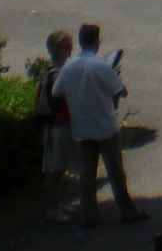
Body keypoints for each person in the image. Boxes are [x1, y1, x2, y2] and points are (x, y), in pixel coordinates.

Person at [51, 22, 148, 226]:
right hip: (104, 125)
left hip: (82, 126)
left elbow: (57, 92)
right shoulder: (102, 65)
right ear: (96, 41)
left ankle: (89, 214)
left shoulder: (69, 67)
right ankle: (126, 210)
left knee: (87, 173)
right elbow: (120, 91)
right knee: (115, 171)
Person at [36, 29, 81, 222]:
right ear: (57, 49)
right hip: (58, 125)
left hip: (61, 124)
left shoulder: (53, 72)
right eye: (66, 46)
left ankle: (57, 205)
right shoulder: (57, 74)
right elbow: (62, 96)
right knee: (54, 170)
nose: (70, 50)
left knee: (58, 169)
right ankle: (52, 209)